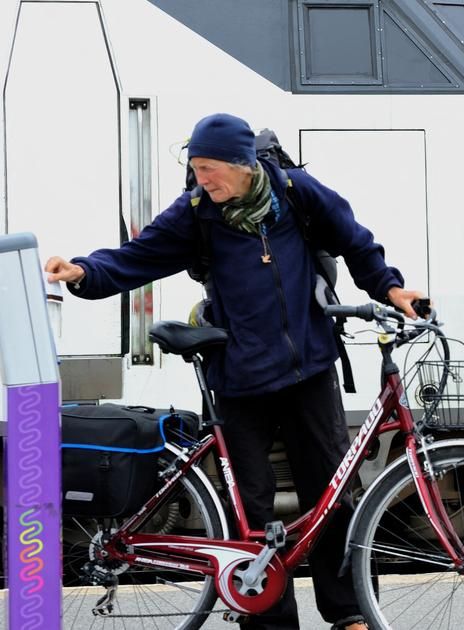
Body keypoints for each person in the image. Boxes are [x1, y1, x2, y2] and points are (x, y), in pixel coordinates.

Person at [45, 113, 421, 630]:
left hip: (309, 368)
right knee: (252, 506)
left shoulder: (295, 193)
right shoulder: (196, 212)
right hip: (239, 376)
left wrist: (392, 289)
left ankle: (351, 612)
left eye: (211, 169)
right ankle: (268, 620)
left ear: (244, 165)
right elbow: (140, 256)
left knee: (333, 494)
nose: (202, 179)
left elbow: (356, 241)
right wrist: (84, 272)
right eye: (196, 169)